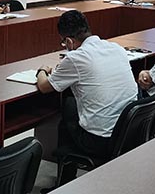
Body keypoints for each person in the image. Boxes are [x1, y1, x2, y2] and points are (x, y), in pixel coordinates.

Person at [35, 10, 138, 187]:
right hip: (128, 131)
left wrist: (42, 70)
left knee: (68, 108)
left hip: (100, 140)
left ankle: (65, 181)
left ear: (69, 41)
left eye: (63, 42)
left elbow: (44, 86)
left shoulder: (76, 57)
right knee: (72, 104)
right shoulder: (115, 48)